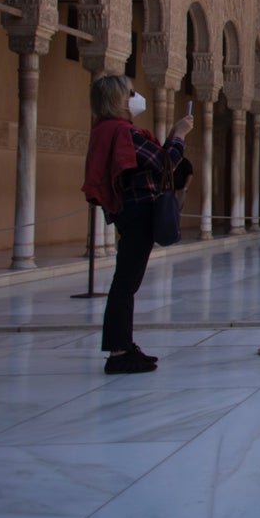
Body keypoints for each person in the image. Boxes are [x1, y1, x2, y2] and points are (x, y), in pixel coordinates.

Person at [82, 76, 194, 374]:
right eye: (130, 94)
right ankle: (119, 353)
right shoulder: (123, 132)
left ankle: (125, 346)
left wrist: (171, 137)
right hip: (138, 211)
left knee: (126, 282)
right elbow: (166, 163)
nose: (136, 97)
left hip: (126, 212)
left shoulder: (106, 130)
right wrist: (180, 135)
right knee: (125, 284)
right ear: (118, 100)